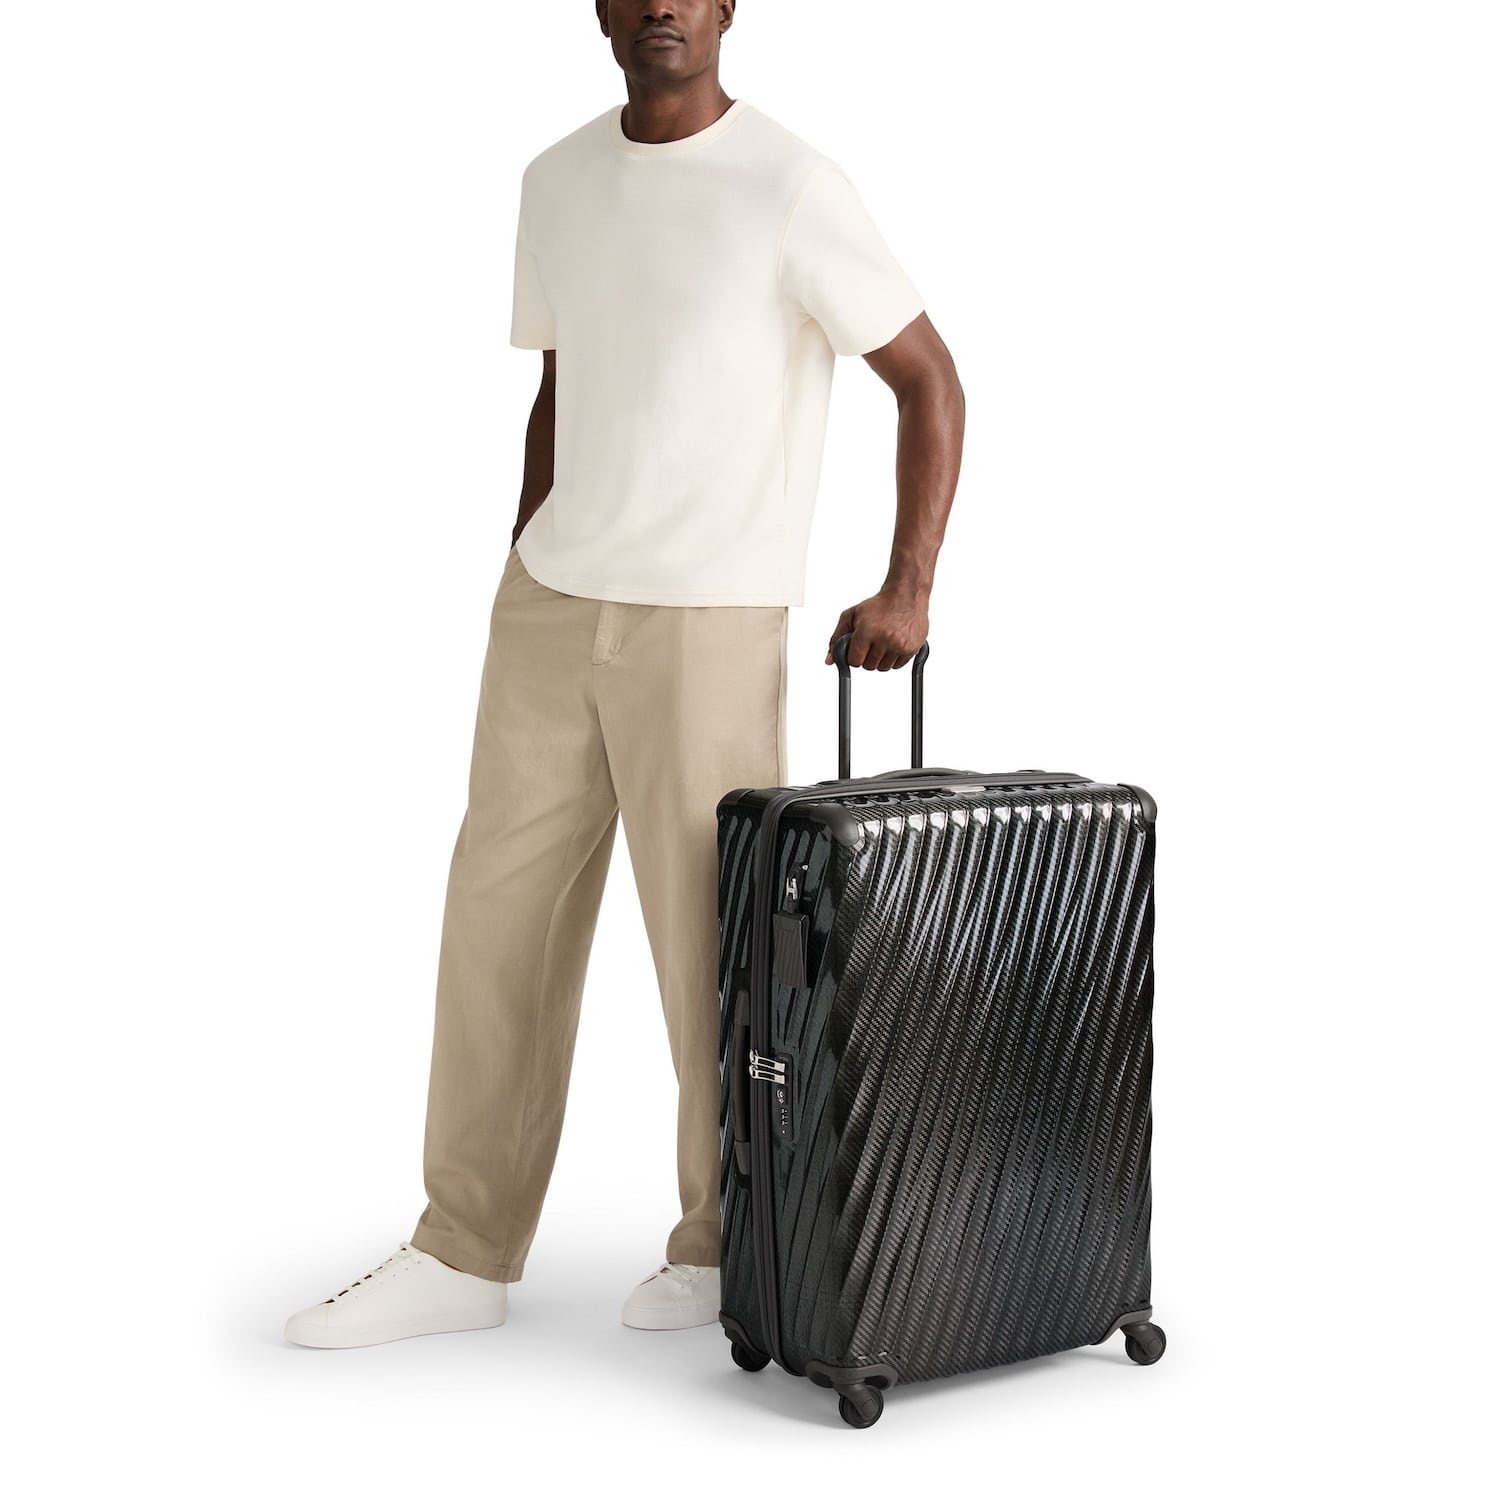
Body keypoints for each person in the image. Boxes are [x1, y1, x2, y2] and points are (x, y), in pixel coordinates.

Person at [284, 0, 964, 1349]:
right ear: (598, 8)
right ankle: (465, 1249)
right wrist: (524, 548)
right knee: (496, 919)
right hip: (551, 604)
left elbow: (930, 381)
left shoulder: (791, 186)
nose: (662, 5)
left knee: (715, 942)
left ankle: (722, 1246)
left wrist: (909, 586)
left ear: (727, 9)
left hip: (707, 613)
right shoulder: (554, 181)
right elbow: (563, 383)